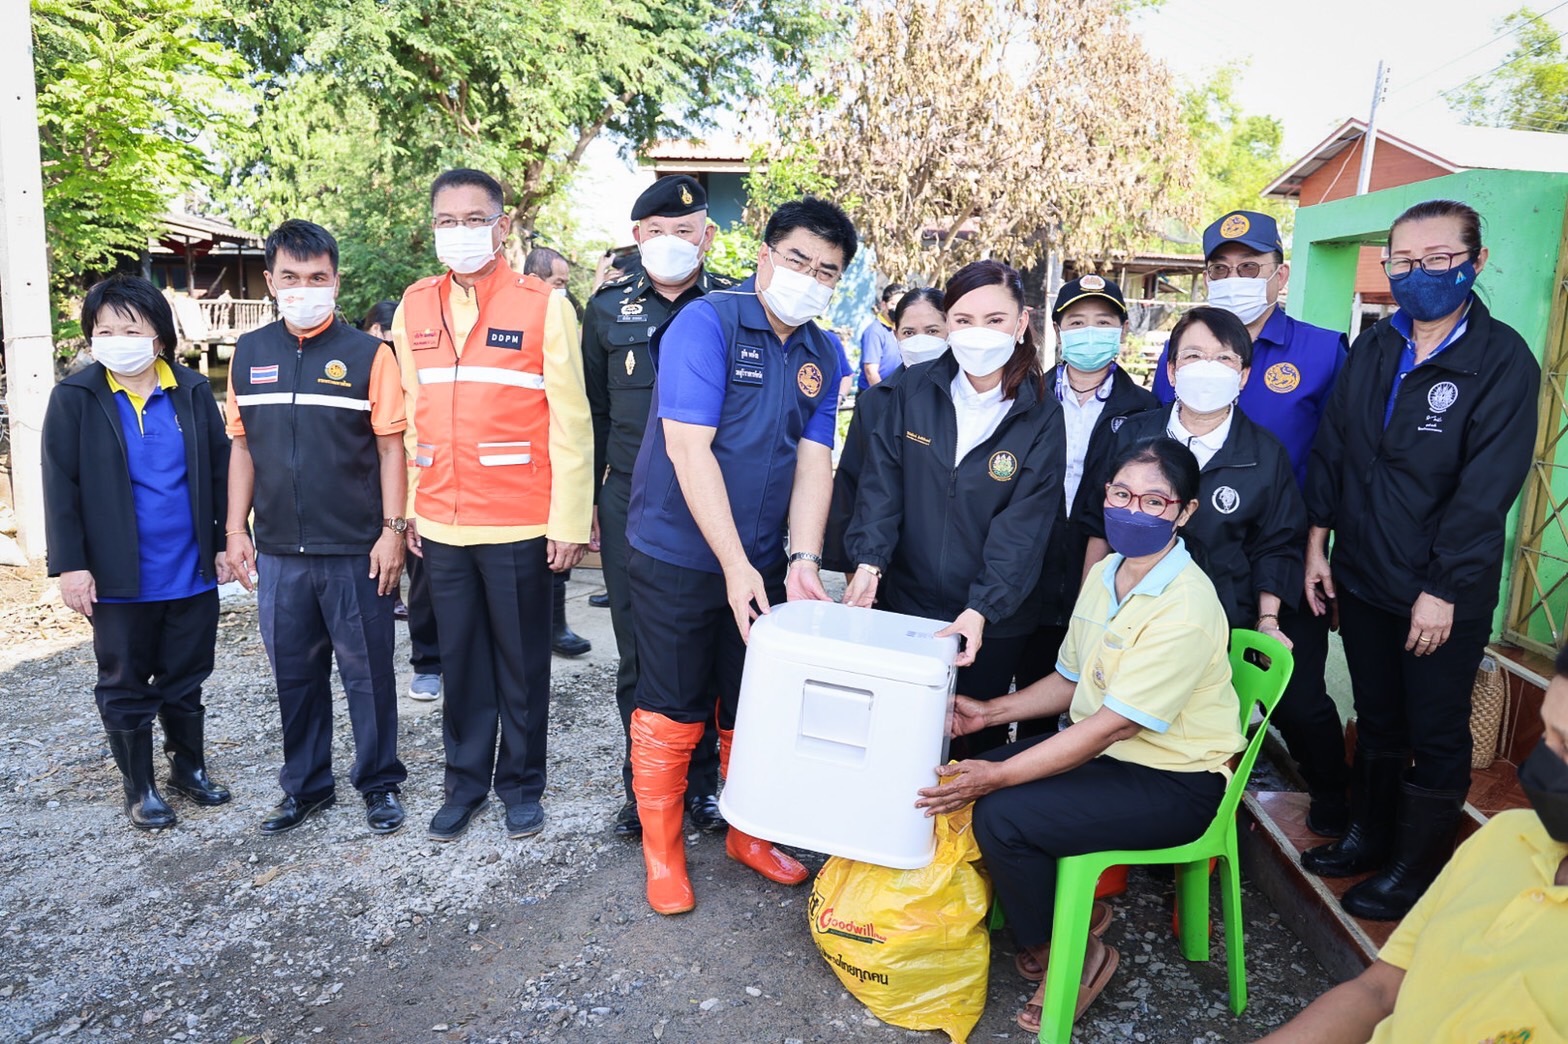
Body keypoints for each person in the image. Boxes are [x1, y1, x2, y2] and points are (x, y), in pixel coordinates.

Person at [917, 437, 1244, 1033]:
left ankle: (1072, 953)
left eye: (1154, 501)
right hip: (1112, 754)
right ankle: (1061, 921)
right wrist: (988, 713)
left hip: (1178, 781)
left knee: (1002, 811)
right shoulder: (1105, 573)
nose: (1133, 511)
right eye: (1122, 494)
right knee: (968, 779)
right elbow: (1072, 679)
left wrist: (999, 774)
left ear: (1185, 512)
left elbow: (1112, 725)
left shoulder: (1186, 607)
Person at [1301, 199, 1539, 921]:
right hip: (1363, 573)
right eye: (1403, 261)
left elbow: (1486, 489)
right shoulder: (1376, 346)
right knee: (1376, 716)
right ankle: (1368, 837)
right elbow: (1335, 448)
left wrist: (1443, 589)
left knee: (1434, 730)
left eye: (1438, 259)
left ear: (1476, 262)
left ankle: (1415, 870)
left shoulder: (1501, 361)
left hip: (1441, 590)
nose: (1418, 273)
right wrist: (1318, 543)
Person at [624, 195, 855, 915]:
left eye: (826, 271)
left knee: (752, 703)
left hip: (758, 562)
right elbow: (688, 448)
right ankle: (663, 851)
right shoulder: (707, 323)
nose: (808, 278)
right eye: (797, 260)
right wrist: (733, 565)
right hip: (677, 555)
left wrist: (804, 558)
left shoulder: (825, 353)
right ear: (764, 256)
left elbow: (814, 461)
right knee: (672, 708)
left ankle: (747, 832)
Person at [392, 168, 593, 843]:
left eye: (473, 219)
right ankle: (465, 784)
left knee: (522, 664)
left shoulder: (544, 306)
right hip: (442, 523)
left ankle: (522, 787)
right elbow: (413, 417)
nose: (459, 232)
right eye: (446, 221)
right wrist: (412, 508)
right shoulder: (414, 305)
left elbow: (571, 422)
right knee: (461, 661)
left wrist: (569, 520)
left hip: (519, 520)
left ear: (502, 226)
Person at [1153, 210, 1352, 837]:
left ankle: (1334, 799)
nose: (1233, 279)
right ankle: (1193, 816)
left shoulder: (1321, 350)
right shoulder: (1182, 349)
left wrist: (1318, 545)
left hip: (1284, 552)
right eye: (1220, 269)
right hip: (1195, 555)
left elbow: (1339, 456)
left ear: (1279, 275)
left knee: (1298, 697)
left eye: (1249, 267)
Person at [226, 220, 409, 836]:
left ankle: (379, 783)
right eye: (291, 277)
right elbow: (242, 446)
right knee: (295, 676)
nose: (304, 289)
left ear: (336, 281)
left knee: (368, 674)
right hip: (279, 551)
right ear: (270, 281)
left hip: (357, 549)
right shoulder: (249, 353)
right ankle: (306, 786)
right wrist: (235, 531)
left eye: (317, 277)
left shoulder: (370, 355)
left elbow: (391, 447)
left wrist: (392, 531)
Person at [844, 261, 1064, 755]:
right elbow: (882, 485)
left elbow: (1024, 526)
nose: (978, 333)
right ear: (948, 324)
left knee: (970, 739)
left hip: (993, 619)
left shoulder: (1041, 412)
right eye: (964, 320)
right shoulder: (913, 388)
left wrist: (982, 609)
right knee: (900, 736)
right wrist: (869, 563)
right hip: (908, 604)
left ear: (1021, 323)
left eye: (995, 320)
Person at [42, 275, 233, 830]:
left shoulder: (191, 390)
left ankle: (188, 770)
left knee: (187, 674)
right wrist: (71, 565)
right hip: (118, 574)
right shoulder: (76, 397)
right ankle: (140, 787)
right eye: (104, 330)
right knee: (124, 679)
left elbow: (220, 471)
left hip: (190, 567)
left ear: (159, 337)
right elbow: (60, 486)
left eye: (131, 329)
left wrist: (227, 541)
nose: (117, 340)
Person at [582, 175, 733, 840]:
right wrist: (589, 503)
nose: (672, 241)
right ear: (637, 236)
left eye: (685, 230)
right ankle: (645, 792)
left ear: (707, 235)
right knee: (641, 652)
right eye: (658, 231)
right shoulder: (606, 310)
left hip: (710, 497)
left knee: (708, 647)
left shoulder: (733, 306)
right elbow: (593, 413)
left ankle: (703, 788)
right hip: (630, 502)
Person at [1255, 736, 1568, 1043]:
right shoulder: (1507, 835)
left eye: (1566, 745)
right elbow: (1379, 991)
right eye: (1547, 732)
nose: (1541, 761)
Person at [1081, 306, 1303, 649]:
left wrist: (1268, 622)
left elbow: (1277, 544)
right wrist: (1086, 610)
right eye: (1194, 356)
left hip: (1220, 624)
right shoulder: (1132, 435)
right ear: (1172, 371)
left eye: (1224, 358)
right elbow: (1097, 525)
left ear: (1244, 375)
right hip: (1126, 616)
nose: (1207, 368)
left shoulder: (1266, 454)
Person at [1013, 275, 1157, 721]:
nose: (1089, 332)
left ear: (1123, 330)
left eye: (1103, 322)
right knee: (1018, 692)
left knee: (1083, 702)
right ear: (1058, 331)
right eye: (1077, 322)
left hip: (1102, 578)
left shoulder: (1145, 410)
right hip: (1025, 574)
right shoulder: (1025, 397)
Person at [821, 286, 947, 574]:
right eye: (909, 332)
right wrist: (851, 566)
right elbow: (851, 485)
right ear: (896, 335)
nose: (920, 341)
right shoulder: (875, 402)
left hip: (949, 564)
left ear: (950, 330)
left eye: (932, 331)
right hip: (884, 563)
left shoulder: (972, 399)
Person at [364, 300, 443, 702]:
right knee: (414, 579)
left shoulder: (422, 364)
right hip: (382, 486)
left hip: (427, 479)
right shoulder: (366, 363)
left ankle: (453, 661)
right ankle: (427, 662)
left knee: (431, 575)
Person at [523, 246, 592, 658]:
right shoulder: (520, 322)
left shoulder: (565, 317)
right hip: (526, 460)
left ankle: (555, 627)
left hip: (559, 456)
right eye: (559, 283)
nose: (564, 291)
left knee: (557, 552)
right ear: (535, 280)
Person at [856, 282, 905, 389]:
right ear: (883, 305)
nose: (898, 308)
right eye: (893, 304)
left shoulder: (901, 330)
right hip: (874, 393)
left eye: (901, 305)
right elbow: (871, 372)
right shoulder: (875, 331)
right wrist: (882, 395)